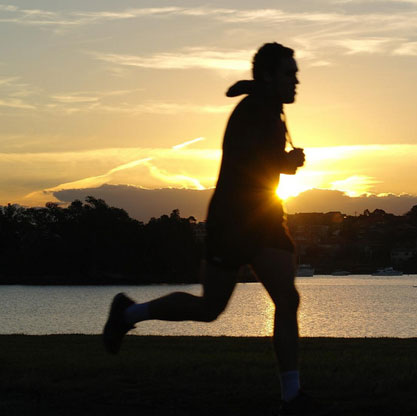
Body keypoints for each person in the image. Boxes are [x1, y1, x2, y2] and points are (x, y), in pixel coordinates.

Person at [102, 42, 331, 415]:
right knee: (210, 308)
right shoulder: (252, 111)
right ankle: (127, 314)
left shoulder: (269, 109)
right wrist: (285, 161)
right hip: (233, 223)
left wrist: (284, 163)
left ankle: (292, 395)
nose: (297, 80)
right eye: (290, 73)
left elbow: (262, 162)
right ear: (270, 76)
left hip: (265, 218)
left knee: (287, 300)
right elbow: (247, 162)